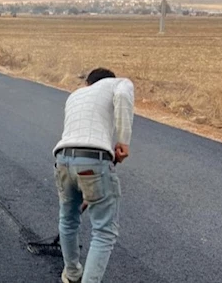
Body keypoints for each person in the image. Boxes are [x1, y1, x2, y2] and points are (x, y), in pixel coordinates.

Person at [52, 68, 134, 283]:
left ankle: (71, 273)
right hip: (93, 161)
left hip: (63, 160)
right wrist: (123, 141)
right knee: (104, 231)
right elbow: (125, 94)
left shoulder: (75, 95)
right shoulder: (116, 84)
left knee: (68, 220)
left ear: (88, 83)